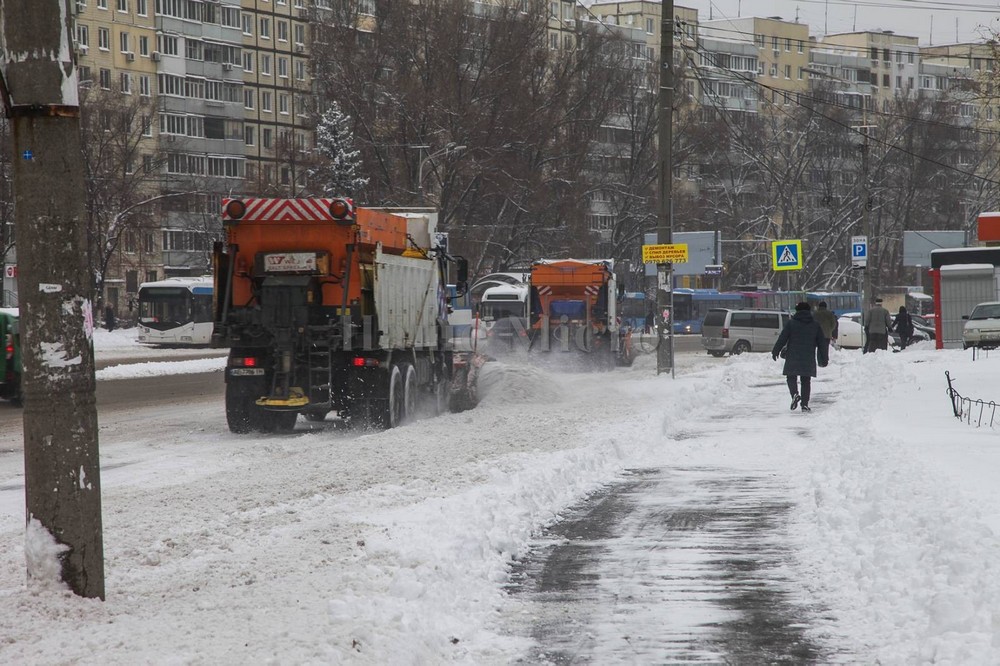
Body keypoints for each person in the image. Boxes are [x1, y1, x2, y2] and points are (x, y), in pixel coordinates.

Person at [772, 301, 829, 412]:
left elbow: (782, 338)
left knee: (791, 377)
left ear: (797, 311)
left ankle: (794, 394)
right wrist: (824, 357)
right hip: (808, 356)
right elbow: (822, 343)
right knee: (806, 380)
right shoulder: (815, 325)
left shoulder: (791, 323)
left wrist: (776, 351)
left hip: (793, 355)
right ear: (809, 311)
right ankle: (804, 404)